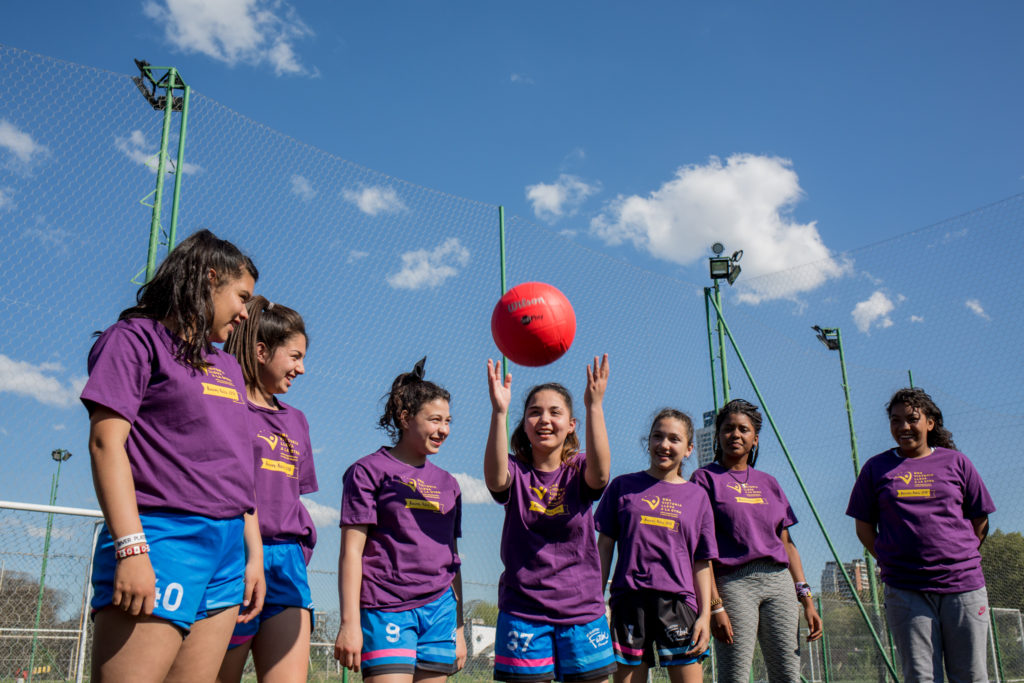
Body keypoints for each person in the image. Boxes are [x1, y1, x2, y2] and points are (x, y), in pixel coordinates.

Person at [81, 229, 265, 682]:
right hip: (162, 538)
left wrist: (252, 556)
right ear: (208, 279)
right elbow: (107, 443)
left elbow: (236, 470)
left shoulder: (227, 367)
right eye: (241, 297)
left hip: (226, 550)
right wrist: (131, 548)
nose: (246, 313)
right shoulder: (135, 339)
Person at [847, 387, 995, 683]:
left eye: (912, 419)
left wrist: (957, 556)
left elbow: (980, 519)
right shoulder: (877, 468)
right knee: (920, 677)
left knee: (972, 675)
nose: (903, 427)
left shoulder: (957, 463)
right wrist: (890, 558)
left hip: (963, 586)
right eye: (895, 420)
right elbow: (864, 527)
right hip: (905, 588)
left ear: (930, 422)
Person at [484, 355, 617, 683]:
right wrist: (499, 411)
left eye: (555, 412)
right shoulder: (515, 471)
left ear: (571, 424)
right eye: (534, 412)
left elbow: (601, 476)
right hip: (523, 613)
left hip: (582, 612)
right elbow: (495, 479)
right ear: (524, 424)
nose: (544, 419)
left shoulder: (578, 470)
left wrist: (594, 406)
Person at [334, 359, 467, 681]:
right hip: (386, 607)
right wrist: (350, 623)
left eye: (448, 421)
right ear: (406, 418)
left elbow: (452, 559)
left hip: (440, 612)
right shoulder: (368, 471)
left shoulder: (449, 484)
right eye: (435, 420)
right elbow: (351, 552)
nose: (444, 430)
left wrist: (459, 629)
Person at [218, 297, 317, 683]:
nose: (302, 368)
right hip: (234, 558)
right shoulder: (227, 406)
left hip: (287, 565)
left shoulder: (298, 421)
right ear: (261, 351)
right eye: (294, 356)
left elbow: (292, 495)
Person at [689, 399, 822, 683]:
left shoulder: (769, 482)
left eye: (743, 429)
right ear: (718, 436)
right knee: (735, 676)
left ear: (755, 438)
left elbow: (787, 543)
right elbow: (701, 550)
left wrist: (806, 598)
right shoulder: (703, 479)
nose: (735, 435)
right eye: (728, 429)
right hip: (734, 585)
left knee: (788, 674)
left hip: (779, 583)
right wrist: (715, 605)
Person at [595, 408, 717, 683]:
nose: (664, 445)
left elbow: (702, 562)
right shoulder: (622, 487)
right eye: (657, 436)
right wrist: (596, 602)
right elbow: (603, 548)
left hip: (678, 604)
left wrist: (705, 616)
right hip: (628, 603)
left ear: (688, 449)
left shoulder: (698, 497)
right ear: (647, 441)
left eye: (674, 439)